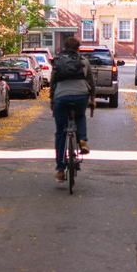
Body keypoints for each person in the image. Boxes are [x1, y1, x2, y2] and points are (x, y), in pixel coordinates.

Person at [49, 36, 95, 183]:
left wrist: (52, 99)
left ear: (64, 47)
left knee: (60, 132)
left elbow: (53, 82)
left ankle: (60, 170)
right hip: (81, 96)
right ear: (78, 49)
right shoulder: (83, 61)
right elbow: (91, 82)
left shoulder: (57, 61)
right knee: (80, 116)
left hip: (61, 97)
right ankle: (82, 140)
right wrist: (92, 99)